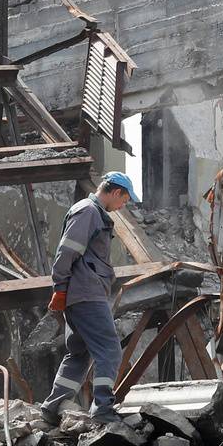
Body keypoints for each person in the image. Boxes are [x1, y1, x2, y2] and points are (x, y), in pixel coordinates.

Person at [37, 172, 139, 427]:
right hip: (86, 295)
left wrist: (63, 291)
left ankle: (51, 409)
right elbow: (66, 251)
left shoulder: (92, 213)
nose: (123, 205)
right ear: (116, 192)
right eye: (124, 200)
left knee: (79, 354)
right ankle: (103, 409)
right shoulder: (89, 212)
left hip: (82, 294)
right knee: (109, 350)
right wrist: (59, 288)